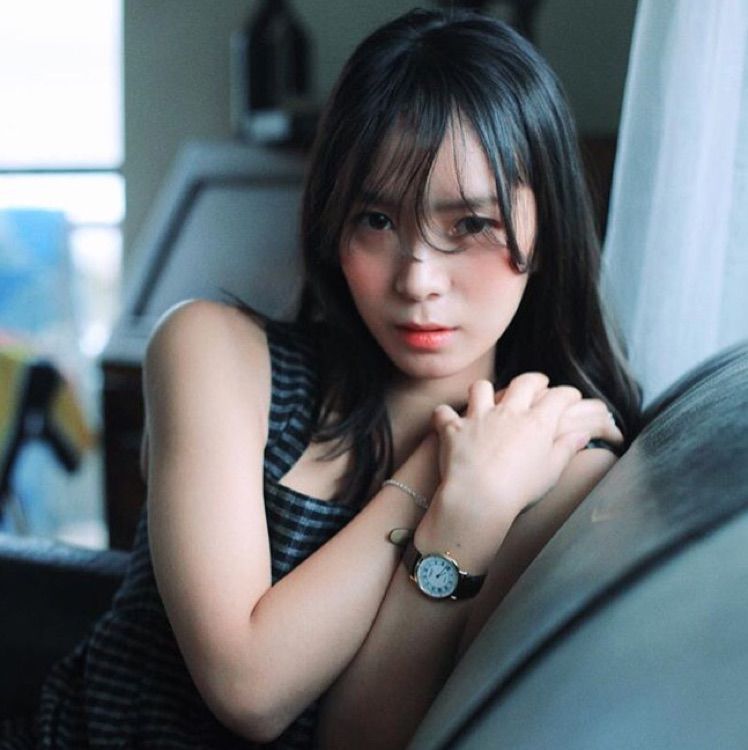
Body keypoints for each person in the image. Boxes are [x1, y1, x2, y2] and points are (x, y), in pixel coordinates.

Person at [0, 7, 640, 750]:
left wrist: (468, 520)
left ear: (546, 226)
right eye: (376, 219)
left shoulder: (557, 469)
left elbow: (357, 740)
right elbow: (248, 688)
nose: (418, 280)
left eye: (470, 224)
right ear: (333, 222)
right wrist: (443, 467)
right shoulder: (215, 353)